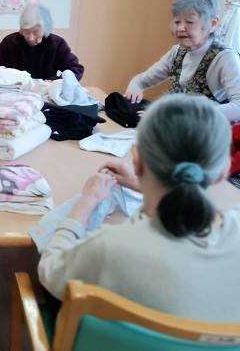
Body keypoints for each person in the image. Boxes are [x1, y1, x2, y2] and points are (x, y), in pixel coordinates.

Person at [37, 93, 238, 323]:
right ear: (224, 170)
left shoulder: (110, 248)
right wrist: (143, 184)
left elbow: (50, 272)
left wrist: (85, 204)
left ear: (137, 159)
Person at [125, 0, 240, 122]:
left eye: (190, 21)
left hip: (208, 132)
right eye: (177, 21)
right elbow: (142, 80)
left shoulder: (225, 58)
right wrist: (136, 85)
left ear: (212, 24)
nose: (180, 28)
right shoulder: (177, 52)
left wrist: (181, 113)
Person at [0, 3, 84, 81]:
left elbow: (76, 69)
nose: (30, 38)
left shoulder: (57, 44)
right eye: (26, 31)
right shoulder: (9, 42)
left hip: (46, 93)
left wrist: (55, 81)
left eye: (36, 32)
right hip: (16, 92)